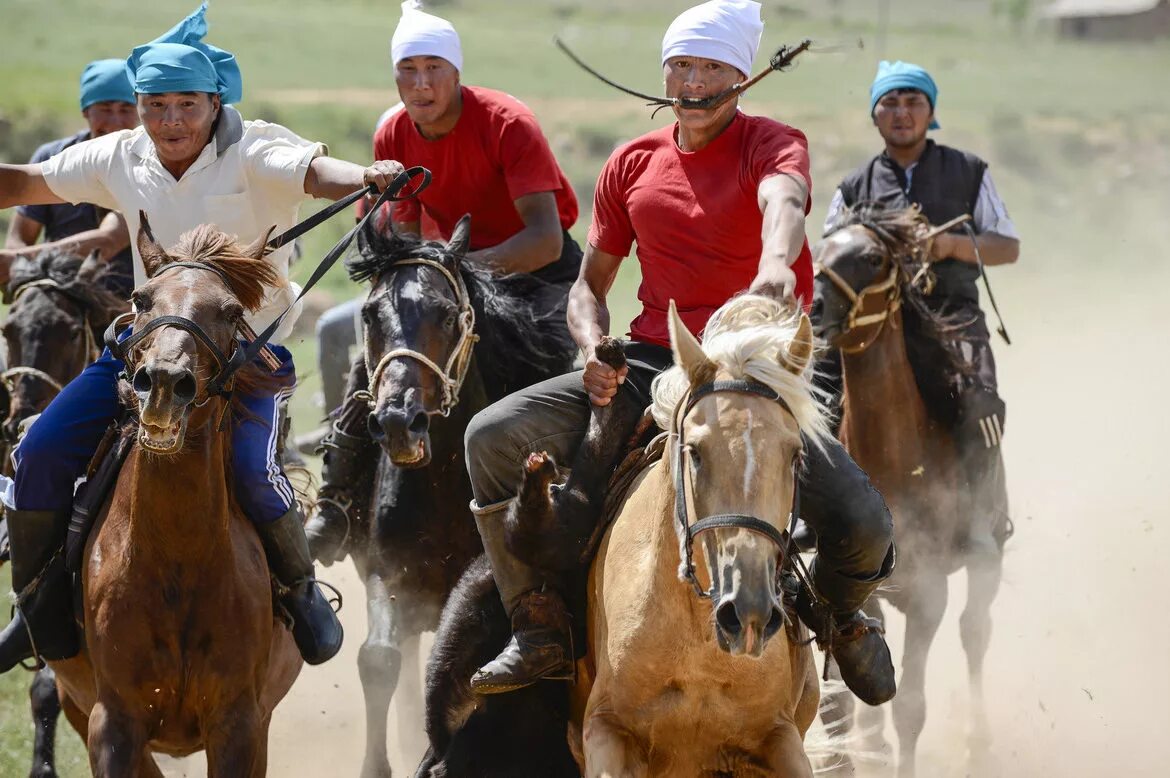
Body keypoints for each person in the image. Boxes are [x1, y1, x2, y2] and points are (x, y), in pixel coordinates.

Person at [462, 0, 897, 706]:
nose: (694, 81)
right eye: (682, 66)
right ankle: (536, 622)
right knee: (488, 439)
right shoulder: (632, 161)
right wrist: (590, 348)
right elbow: (588, 285)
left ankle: (841, 618)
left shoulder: (772, 142)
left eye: (711, 67)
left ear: (742, 77)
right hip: (657, 360)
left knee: (862, 519)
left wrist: (778, 266)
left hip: (758, 369)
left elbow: (783, 203)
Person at [0, 2, 408, 673]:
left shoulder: (254, 147)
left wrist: (365, 176)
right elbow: (26, 182)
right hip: (144, 347)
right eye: (155, 106)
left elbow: (312, 174)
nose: (170, 123)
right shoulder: (122, 154)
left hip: (244, 355)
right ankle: (36, 606)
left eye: (186, 105)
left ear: (214, 102)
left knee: (253, 467)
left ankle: (300, 591)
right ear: (137, 108)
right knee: (40, 449)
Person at [303, 0, 581, 562]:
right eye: (409, 70)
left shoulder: (508, 125)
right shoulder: (393, 134)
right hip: (447, 270)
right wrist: (421, 285)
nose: (422, 83)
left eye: (435, 69)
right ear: (395, 76)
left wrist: (458, 275)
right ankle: (336, 501)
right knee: (379, 354)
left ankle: (571, 512)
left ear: (457, 74)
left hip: (534, 274)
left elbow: (545, 241)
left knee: (561, 378)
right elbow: (403, 237)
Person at [823, 60, 1019, 556]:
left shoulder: (968, 171)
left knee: (980, 404)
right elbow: (832, 253)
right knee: (815, 404)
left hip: (952, 318)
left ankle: (981, 519)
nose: (901, 112)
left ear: (930, 111)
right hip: (871, 320)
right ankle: (816, 516)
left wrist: (951, 246)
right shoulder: (854, 187)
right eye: (889, 102)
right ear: (875, 115)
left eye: (913, 101)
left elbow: (1008, 247)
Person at [0, 59, 139, 297]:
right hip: (57, 297)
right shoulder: (51, 157)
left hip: (129, 307)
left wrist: (16, 261)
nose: (116, 121)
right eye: (105, 109)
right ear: (86, 111)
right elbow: (19, 239)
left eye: (126, 109)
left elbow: (111, 239)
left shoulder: (144, 163)